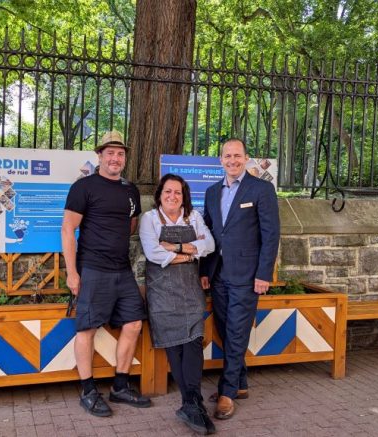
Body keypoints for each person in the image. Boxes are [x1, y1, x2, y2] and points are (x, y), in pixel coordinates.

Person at [61, 130, 152, 417]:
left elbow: (131, 226)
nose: (115, 158)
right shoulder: (83, 187)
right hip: (93, 270)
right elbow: (67, 229)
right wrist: (72, 273)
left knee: (134, 323)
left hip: (122, 270)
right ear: (100, 155)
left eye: (120, 153)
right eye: (110, 152)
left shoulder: (130, 190)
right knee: (86, 329)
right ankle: (88, 390)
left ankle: (120, 386)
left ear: (125, 158)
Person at [199, 138, 280, 420]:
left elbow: (271, 235)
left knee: (236, 331)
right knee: (225, 328)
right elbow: (207, 235)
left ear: (246, 158)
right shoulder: (211, 192)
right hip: (218, 274)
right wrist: (204, 272)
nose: (232, 160)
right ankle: (241, 383)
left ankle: (227, 392)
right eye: (227, 156)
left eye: (237, 155)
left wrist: (263, 274)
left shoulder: (261, 189)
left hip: (247, 277)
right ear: (220, 160)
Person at [139, 174, 216, 435]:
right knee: (175, 347)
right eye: (168, 192)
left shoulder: (193, 217)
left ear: (184, 196)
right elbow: (153, 252)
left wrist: (177, 246)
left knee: (194, 341)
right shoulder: (149, 220)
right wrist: (189, 254)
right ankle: (191, 403)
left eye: (178, 193)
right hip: (162, 293)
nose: (173, 197)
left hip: (190, 291)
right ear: (160, 194)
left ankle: (191, 402)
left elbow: (209, 244)